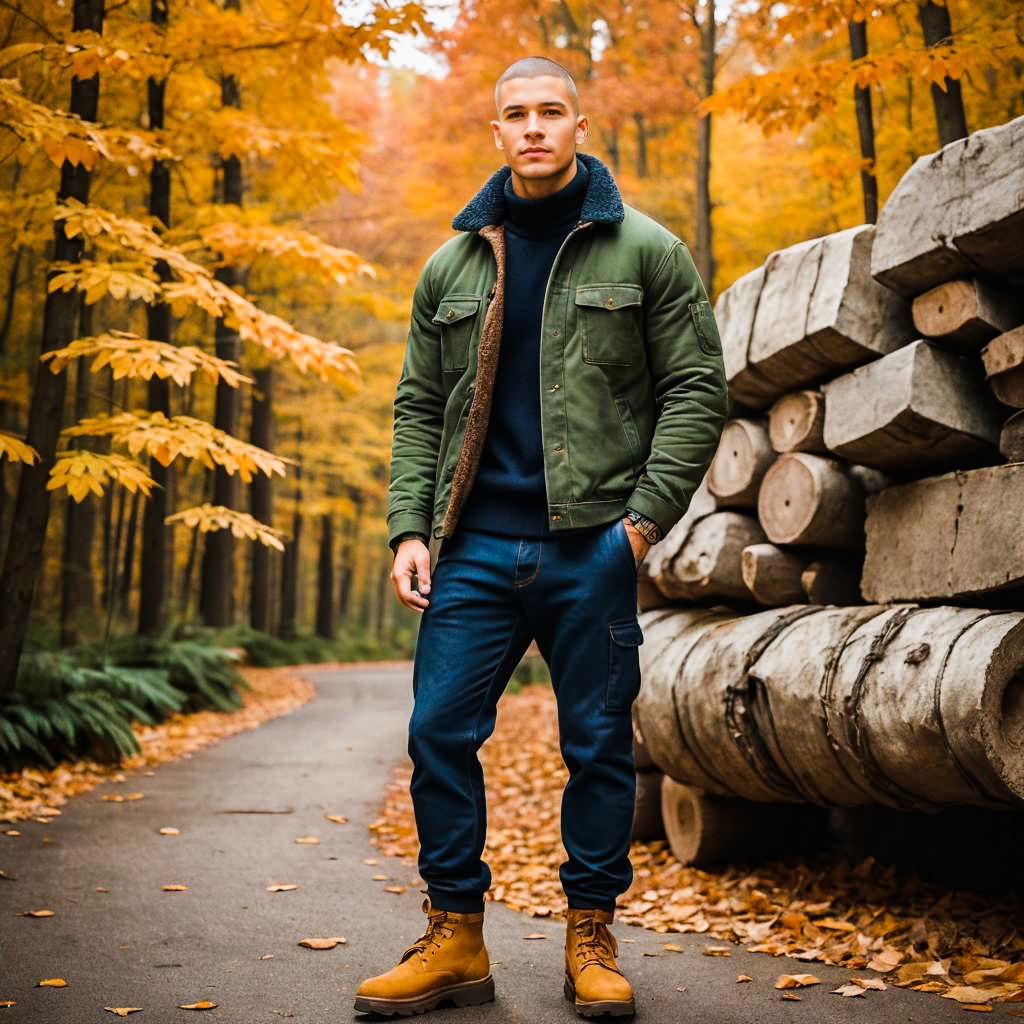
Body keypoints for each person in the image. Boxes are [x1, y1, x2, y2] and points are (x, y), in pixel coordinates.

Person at [355, 55, 727, 1019]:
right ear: (496, 132)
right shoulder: (454, 263)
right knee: (438, 733)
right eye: (514, 113)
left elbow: (696, 389)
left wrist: (641, 527)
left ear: (580, 125)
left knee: (598, 747)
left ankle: (590, 935)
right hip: (471, 544)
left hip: (592, 546)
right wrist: (409, 527)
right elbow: (418, 407)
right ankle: (457, 937)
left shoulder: (646, 250)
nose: (533, 128)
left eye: (550, 112)